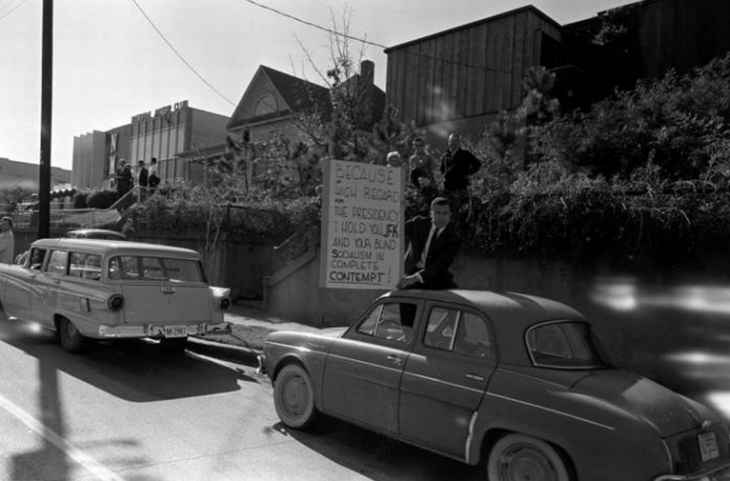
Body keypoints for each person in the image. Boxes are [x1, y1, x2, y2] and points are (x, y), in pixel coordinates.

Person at [397, 197, 460, 290]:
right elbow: (395, 230)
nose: (441, 217)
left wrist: (414, 278)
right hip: (411, 272)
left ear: (450, 215)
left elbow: (439, 265)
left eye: (445, 213)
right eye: (437, 213)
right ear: (431, 213)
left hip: (436, 279)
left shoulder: (453, 238)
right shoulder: (418, 224)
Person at [440, 133, 481, 211]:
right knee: (448, 210)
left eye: (455, 141)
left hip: (460, 187)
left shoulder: (465, 154)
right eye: (451, 141)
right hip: (448, 188)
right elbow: (442, 169)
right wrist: (445, 176)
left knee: (459, 210)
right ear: (448, 142)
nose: (452, 143)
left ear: (458, 142)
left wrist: (469, 173)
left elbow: (477, 164)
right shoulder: (445, 156)